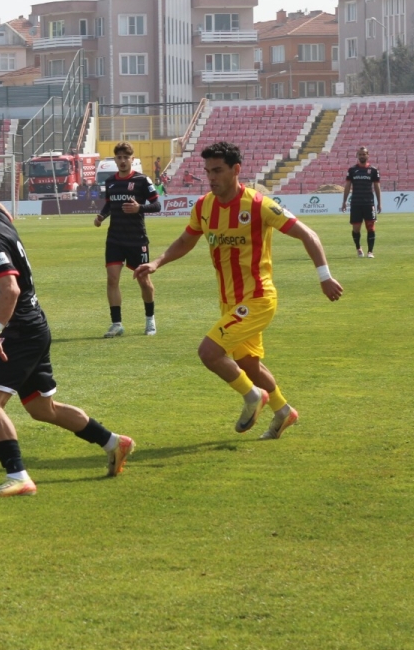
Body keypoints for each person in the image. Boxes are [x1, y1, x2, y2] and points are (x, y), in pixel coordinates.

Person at [0, 171, 135, 497]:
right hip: (35, 327)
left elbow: (9, 288)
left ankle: (18, 477)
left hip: (19, 333)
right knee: (43, 409)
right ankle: (114, 442)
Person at [135, 142, 343, 440]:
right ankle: (284, 412)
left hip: (258, 298)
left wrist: (324, 276)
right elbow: (186, 240)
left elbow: (307, 234)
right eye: (208, 171)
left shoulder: (259, 205)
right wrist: (157, 262)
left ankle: (253, 397)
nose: (212, 177)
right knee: (248, 364)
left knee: (209, 352)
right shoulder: (203, 206)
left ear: (236, 170)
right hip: (229, 302)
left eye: (218, 171)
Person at [94, 141, 161, 338]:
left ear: (132, 159)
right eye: (119, 158)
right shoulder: (111, 182)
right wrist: (101, 216)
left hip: (136, 239)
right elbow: (109, 205)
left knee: (143, 280)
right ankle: (117, 324)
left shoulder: (142, 180)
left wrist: (139, 208)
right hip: (115, 238)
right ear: (115, 159)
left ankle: (150, 320)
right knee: (112, 279)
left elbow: (157, 205)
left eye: (126, 158)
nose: (122, 161)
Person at [342, 145, 382, 258]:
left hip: (369, 203)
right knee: (356, 229)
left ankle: (370, 251)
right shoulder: (352, 170)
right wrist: (344, 201)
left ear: (368, 155)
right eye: (360, 154)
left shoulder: (373, 170)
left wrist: (379, 202)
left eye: (364, 154)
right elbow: (347, 186)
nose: (362, 156)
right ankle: (358, 248)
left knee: (371, 227)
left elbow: (377, 187)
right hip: (356, 203)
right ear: (357, 156)